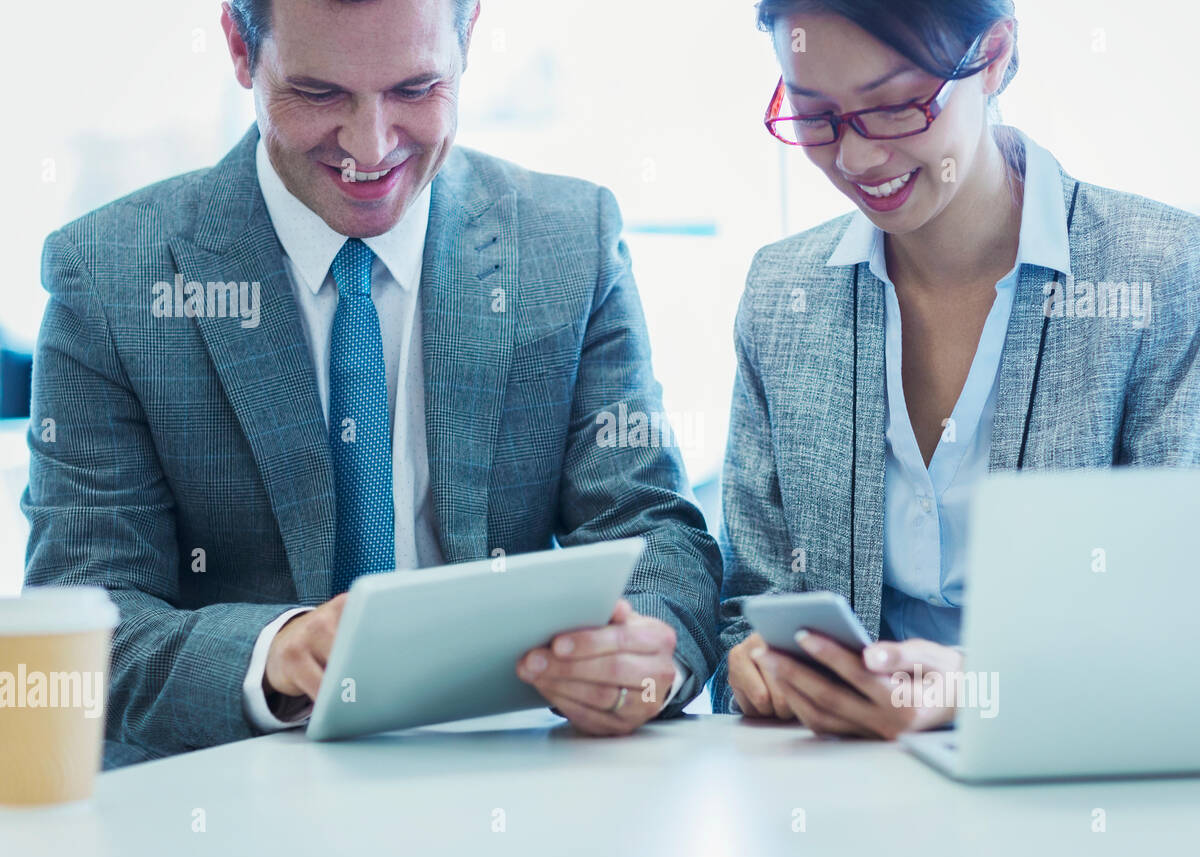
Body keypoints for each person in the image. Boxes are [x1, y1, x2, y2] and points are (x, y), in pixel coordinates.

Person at [23, 0, 721, 766]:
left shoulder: (567, 238)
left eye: (416, 90)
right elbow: (83, 623)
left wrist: (646, 658)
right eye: (319, 94)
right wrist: (272, 654)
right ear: (237, 45)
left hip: (518, 779)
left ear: (468, 40)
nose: (371, 145)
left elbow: (655, 533)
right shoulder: (112, 274)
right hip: (231, 799)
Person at [715, 0, 1200, 736]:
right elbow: (748, 603)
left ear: (994, 56)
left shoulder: (1164, 271)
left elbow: (1192, 624)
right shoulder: (782, 295)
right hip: (837, 788)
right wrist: (751, 665)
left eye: (896, 107)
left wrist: (983, 690)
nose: (855, 158)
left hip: (1075, 782)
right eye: (815, 116)